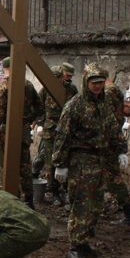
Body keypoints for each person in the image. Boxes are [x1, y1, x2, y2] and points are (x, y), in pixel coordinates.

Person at [52, 64, 127, 258]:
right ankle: (75, 246)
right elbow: (62, 135)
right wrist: (60, 164)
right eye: (94, 83)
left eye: (101, 83)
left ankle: (84, 241)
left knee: (96, 204)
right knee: (82, 203)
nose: (98, 86)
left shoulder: (103, 103)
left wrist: (121, 149)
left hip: (99, 160)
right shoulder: (75, 105)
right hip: (81, 160)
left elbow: (112, 126)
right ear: (86, 83)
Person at [0, 56, 43, 208]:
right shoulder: (28, 85)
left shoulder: (2, 87)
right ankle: (29, 200)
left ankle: (11, 200)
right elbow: (40, 107)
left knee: (7, 164)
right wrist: (29, 121)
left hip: (8, 129)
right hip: (23, 130)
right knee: (24, 165)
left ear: (3, 68)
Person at [32, 62, 78, 206]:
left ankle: (65, 189)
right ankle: (54, 192)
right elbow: (38, 106)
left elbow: (76, 108)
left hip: (66, 131)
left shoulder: (71, 89)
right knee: (50, 162)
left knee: (66, 161)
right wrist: (38, 124)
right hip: (50, 131)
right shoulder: (45, 90)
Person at [104, 78, 130, 226]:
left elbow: (111, 124)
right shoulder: (114, 91)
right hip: (105, 144)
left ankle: (129, 215)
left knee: (113, 180)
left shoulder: (107, 94)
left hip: (106, 146)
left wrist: (120, 149)